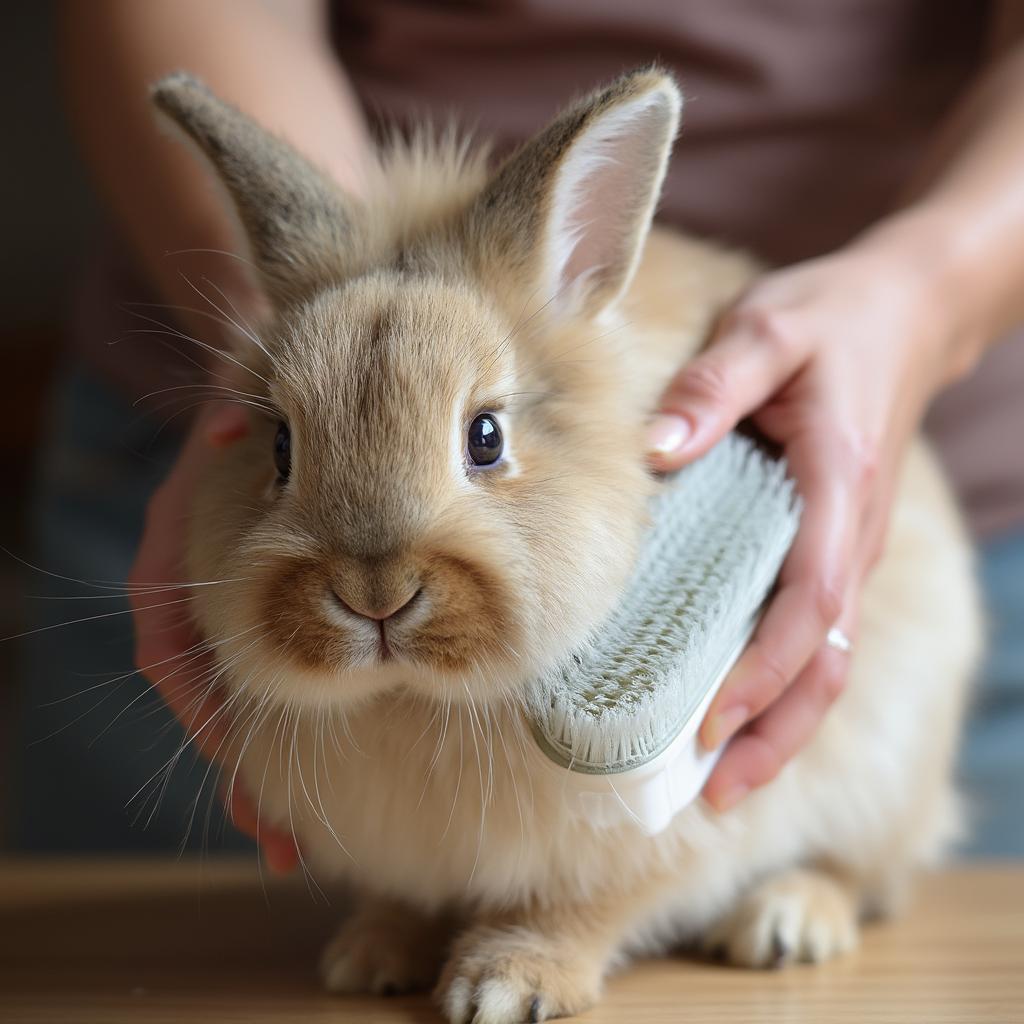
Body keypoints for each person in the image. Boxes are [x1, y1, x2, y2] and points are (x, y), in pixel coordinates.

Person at [16, 0, 1023, 862]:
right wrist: (293, 349)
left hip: (882, 420)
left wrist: (929, 291)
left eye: (483, 446)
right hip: (193, 406)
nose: (382, 586)